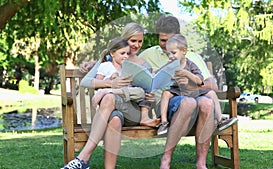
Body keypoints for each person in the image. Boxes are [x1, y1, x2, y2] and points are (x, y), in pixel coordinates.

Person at [139, 15, 236, 169]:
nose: (166, 47)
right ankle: (166, 158)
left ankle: (201, 163)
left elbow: (212, 87)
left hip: (193, 102)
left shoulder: (192, 58)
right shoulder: (149, 54)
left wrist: (191, 84)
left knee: (205, 102)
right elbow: (125, 63)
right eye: (162, 40)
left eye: (169, 41)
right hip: (167, 107)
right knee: (188, 102)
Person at [61, 22, 155, 169]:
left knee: (109, 98)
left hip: (134, 113)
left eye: (140, 41)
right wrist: (111, 84)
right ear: (124, 40)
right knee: (115, 119)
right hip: (113, 110)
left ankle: (83, 158)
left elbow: (144, 92)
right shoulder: (109, 60)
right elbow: (86, 81)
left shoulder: (143, 65)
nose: (136, 45)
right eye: (133, 41)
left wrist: (108, 90)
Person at [157, 34, 238, 135]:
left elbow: (200, 81)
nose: (171, 56)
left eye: (173, 53)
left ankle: (220, 120)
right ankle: (164, 123)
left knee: (211, 93)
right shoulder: (170, 65)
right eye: (168, 54)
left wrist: (187, 74)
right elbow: (159, 74)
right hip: (178, 92)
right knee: (165, 94)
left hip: (194, 91)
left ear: (184, 51)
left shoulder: (190, 64)